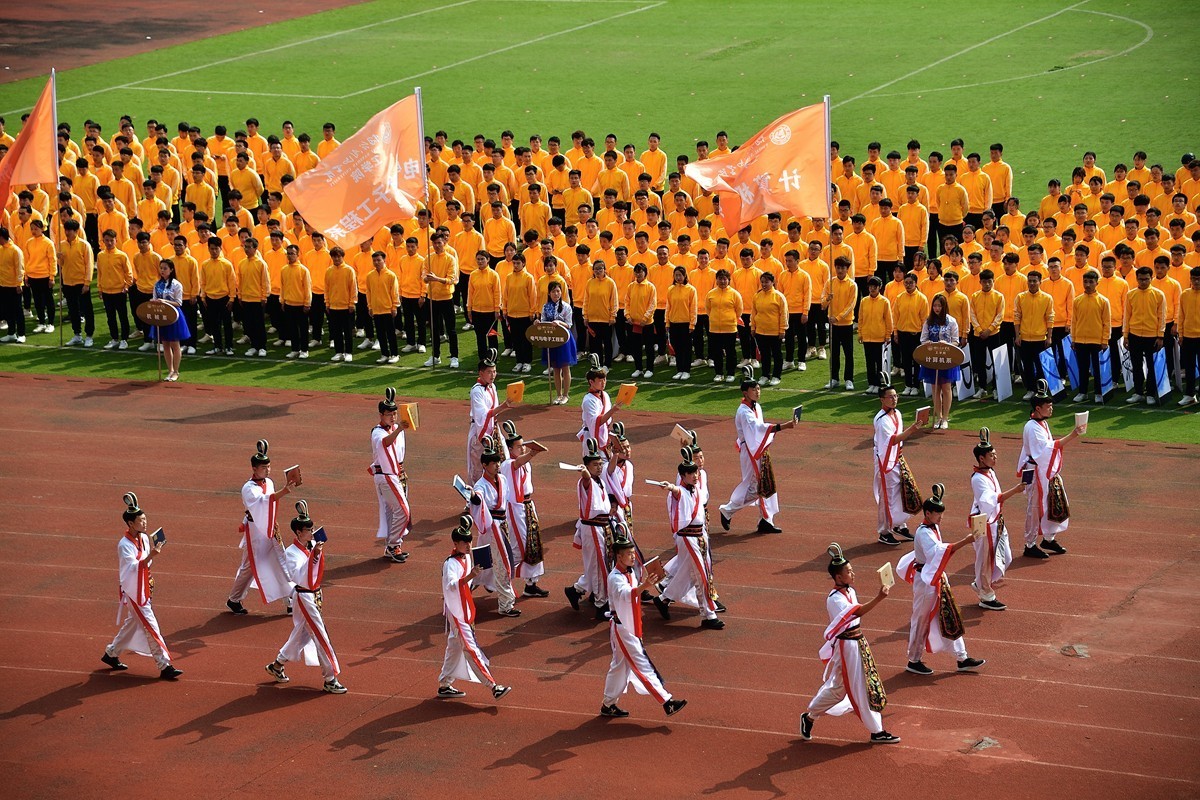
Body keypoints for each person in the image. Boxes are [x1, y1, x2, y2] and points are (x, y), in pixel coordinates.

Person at [799, 543, 898, 744]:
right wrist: (879, 598)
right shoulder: (835, 599)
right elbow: (857, 612)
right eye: (849, 571)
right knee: (859, 687)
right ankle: (877, 731)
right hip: (847, 646)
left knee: (840, 689)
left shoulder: (850, 591)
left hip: (857, 642)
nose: (853, 574)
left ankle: (810, 716)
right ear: (838, 577)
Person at [898, 484, 986, 675]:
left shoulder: (932, 527)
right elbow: (939, 552)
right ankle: (914, 660)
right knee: (921, 620)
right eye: (938, 513)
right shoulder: (924, 532)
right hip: (926, 581)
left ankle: (962, 657)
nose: (941, 517)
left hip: (935, 577)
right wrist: (966, 541)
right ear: (928, 513)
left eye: (941, 513)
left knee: (950, 615)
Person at [600, 535, 688, 719]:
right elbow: (627, 594)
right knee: (642, 662)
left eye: (633, 553)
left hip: (629, 625)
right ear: (619, 557)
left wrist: (650, 581)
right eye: (629, 554)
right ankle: (667, 701)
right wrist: (645, 585)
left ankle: (608, 704)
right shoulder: (615, 578)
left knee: (619, 666)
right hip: (623, 628)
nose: (633, 556)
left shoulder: (630, 572)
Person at [264, 501, 347, 694]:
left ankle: (277, 665)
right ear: (298, 532)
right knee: (320, 635)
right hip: (304, 597)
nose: (312, 533)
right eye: (308, 530)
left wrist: (314, 551)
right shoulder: (292, 553)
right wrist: (314, 555)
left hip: (313, 595)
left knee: (301, 634)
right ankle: (330, 678)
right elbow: (298, 576)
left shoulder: (310, 545)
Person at [101, 492, 183, 680]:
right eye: (141, 520)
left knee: (133, 623)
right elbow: (132, 568)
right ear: (131, 523)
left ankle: (111, 653)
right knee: (151, 626)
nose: (145, 523)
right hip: (134, 591)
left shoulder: (145, 538)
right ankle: (164, 665)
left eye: (145, 519)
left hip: (144, 586)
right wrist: (152, 555)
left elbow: (146, 563)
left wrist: (152, 555)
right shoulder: (124, 545)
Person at [437, 515, 513, 701]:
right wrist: (471, 576)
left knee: (455, 646)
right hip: (457, 611)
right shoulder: (450, 564)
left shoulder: (466, 558)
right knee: (471, 648)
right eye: (464, 543)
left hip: (463, 608)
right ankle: (493, 686)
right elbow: (452, 585)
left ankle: (445, 683)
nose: (468, 546)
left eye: (469, 542)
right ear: (456, 544)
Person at [719, 366, 797, 534]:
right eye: (754, 389)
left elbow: (759, 431)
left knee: (766, 483)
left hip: (759, 449)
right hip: (751, 451)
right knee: (755, 487)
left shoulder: (756, 407)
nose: (757, 391)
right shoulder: (744, 412)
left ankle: (766, 520)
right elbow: (758, 429)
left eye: (758, 388)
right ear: (745, 392)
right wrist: (783, 426)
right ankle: (728, 510)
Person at [227, 440, 300, 616]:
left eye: (268, 466)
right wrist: (284, 492)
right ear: (254, 468)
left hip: (271, 529)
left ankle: (290, 600)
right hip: (256, 532)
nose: (267, 470)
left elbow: (270, 505)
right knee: (249, 567)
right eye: (263, 467)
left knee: (280, 560)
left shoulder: (269, 482)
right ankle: (234, 599)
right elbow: (262, 502)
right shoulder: (248, 488)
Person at [653, 451, 723, 629]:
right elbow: (677, 491)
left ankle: (664, 598)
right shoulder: (681, 491)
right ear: (683, 476)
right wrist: (671, 487)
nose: (695, 475)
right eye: (691, 473)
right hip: (688, 537)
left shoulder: (696, 489)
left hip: (700, 535)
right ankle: (709, 615)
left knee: (688, 573)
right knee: (701, 574)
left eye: (696, 472)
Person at [1018, 379, 1084, 559]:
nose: (1051, 408)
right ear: (1038, 408)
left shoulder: (1042, 423)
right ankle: (1029, 544)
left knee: (1051, 503)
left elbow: (1048, 449)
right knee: (1034, 508)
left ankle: (1048, 538)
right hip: (1035, 471)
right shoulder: (1032, 427)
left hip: (1042, 469)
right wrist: (1073, 434)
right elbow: (1047, 449)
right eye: (1048, 406)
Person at [969, 428, 1026, 610]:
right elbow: (991, 500)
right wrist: (1015, 490)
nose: (995, 457)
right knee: (985, 559)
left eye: (995, 454)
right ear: (981, 459)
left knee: (1005, 556)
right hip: (983, 521)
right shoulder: (978, 479)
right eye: (991, 455)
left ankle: (981, 583)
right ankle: (986, 595)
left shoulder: (990, 472)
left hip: (994, 519)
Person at [469, 435, 520, 618]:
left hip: (502, 525)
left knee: (484, 561)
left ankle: (465, 585)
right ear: (484, 465)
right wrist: (473, 497)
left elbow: (506, 501)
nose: (498, 466)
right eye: (494, 463)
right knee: (502, 564)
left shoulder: (503, 480)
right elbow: (477, 499)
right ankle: (506, 605)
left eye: (498, 462)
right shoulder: (481, 485)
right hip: (492, 527)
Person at [873, 379, 927, 546]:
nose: (894, 399)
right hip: (886, 461)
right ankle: (884, 531)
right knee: (887, 497)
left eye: (896, 396)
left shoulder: (897, 413)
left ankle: (899, 525)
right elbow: (892, 441)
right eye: (890, 397)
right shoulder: (882, 420)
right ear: (882, 399)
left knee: (903, 491)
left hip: (898, 457)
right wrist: (912, 430)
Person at [499, 421, 548, 599]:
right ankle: (500, 579)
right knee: (519, 546)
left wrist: (531, 454)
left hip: (527, 505)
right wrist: (533, 453)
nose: (522, 448)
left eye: (523, 445)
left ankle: (531, 584)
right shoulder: (507, 464)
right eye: (519, 446)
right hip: (516, 507)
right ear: (510, 449)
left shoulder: (525, 462)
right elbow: (517, 463)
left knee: (532, 543)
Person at [565, 437, 613, 621]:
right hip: (593, 528)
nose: (599, 467)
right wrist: (584, 472)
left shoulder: (600, 481)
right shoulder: (586, 482)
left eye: (600, 464)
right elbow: (586, 478)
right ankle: (601, 605)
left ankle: (576, 590)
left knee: (599, 564)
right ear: (587, 466)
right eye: (595, 465)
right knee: (598, 566)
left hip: (602, 527)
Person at [371, 388, 412, 564]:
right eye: (389, 414)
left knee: (392, 512)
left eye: (394, 414)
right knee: (403, 511)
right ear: (381, 415)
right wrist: (399, 429)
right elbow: (385, 443)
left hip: (398, 473)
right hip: (386, 475)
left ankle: (392, 546)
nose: (393, 417)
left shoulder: (396, 428)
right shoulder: (377, 431)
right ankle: (394, 544)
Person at [466, 349, 510, 484]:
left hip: (494, 429)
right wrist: (503, 406)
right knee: (478, 465)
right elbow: (483, 415)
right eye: (489, 372)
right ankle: (476, 493)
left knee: (503, 458)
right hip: (480, 432)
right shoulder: (476, 391)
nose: (493, 375)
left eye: (494, 371)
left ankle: (500, 489)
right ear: (481, 373)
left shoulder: (492, 387)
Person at [919, 293, 961, 429]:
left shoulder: (951, 321)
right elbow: (923, 339)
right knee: (935, 388)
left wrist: (946, 344)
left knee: (946, 388)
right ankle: (938, 417)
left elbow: (956, 341)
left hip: (946, 359)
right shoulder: (929, 321)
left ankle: (945, 418)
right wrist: (928, 343)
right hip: (932, 358)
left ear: (944, 307)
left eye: (939, 306)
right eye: (935, 306)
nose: (937, 308)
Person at [148, 259, 190, 382]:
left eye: (165, 268)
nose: (162, 270)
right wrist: (154, 302)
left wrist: (165, 301)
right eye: (161, 268)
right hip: (161, 315)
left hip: (173, 316)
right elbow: (155, 298)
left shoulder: (176, 284)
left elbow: (179, 302)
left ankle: (176, 371)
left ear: (171, 270)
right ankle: (170, 370)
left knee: (174, 344)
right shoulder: (157, 284)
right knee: (165, 344)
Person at [540, 280, 577, 404]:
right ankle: (558, 395)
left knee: (565, 368)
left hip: (564, 340)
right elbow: (544, 322)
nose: (556, 294)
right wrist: (538, 323)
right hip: (551, 340)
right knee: (555, 368)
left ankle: (566, 395)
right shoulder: (546, 307)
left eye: (558, 291)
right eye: (553, 291)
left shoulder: (566, 306)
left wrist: (559, 322)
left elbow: (569, 324)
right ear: (549, 293)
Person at [578, 354, 622, 456]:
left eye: (604, 380)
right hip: (591, 439)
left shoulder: (605, 395)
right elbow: (596, 422)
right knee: (594, 464)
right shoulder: (588, 400)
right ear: (591, 382)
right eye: (600, 381)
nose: (603, 383)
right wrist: (613, 410)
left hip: (604, 435)